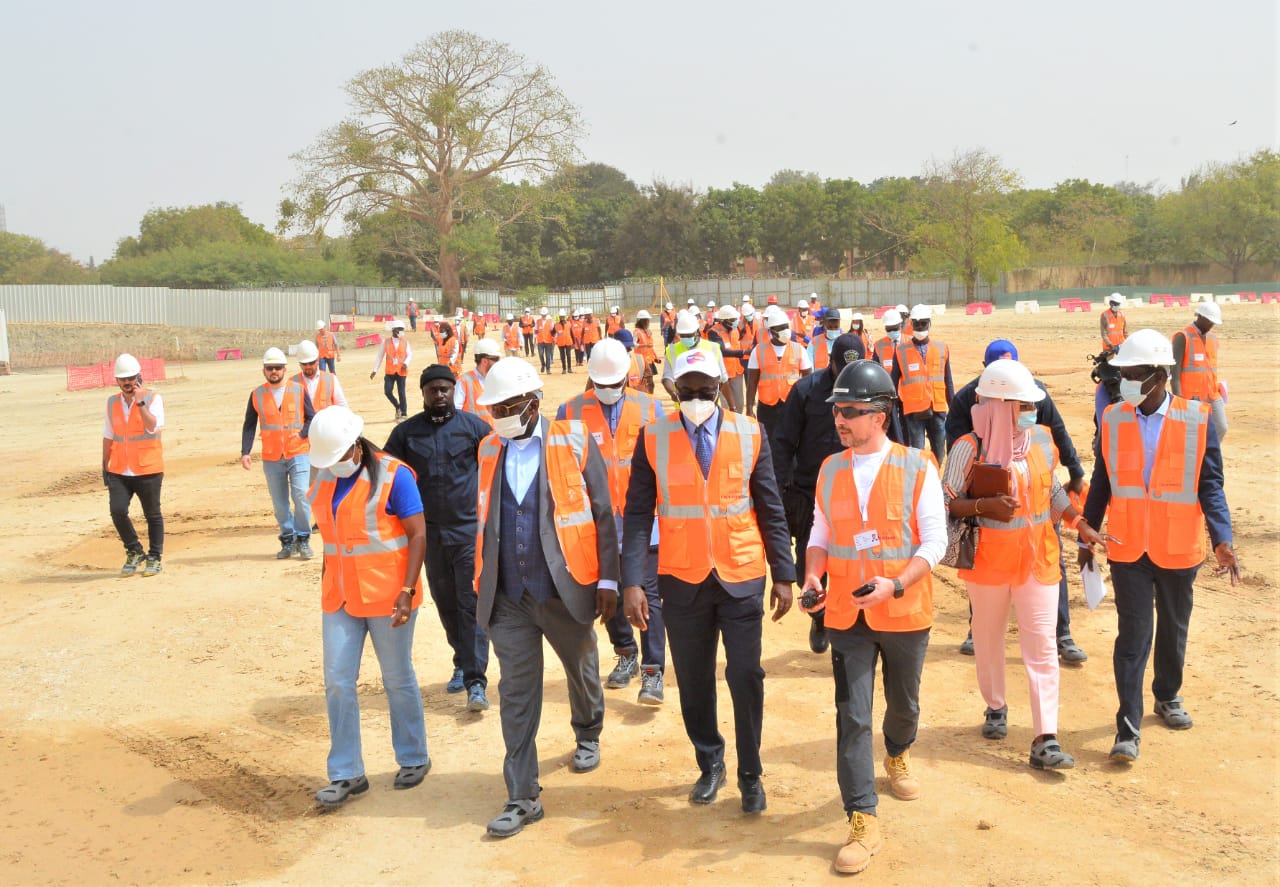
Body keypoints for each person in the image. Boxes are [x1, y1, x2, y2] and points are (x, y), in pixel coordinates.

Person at [621, 349, 796, 815]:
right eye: (689, 390)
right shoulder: (653, 438)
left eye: (706, 389)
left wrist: (784, 573)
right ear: (674, 390)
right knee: (695, 682)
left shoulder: (750, 433)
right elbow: (637, 514)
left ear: (721, 385)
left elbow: (770, 507)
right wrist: (633, 581)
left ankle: (750, 774)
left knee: (746, 676)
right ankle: (710, 762)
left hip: (740, 574)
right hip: (680, 579)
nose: (697, 397)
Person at [797, 359, 945, 876]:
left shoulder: (918, 466)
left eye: (852, 412)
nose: (841, 420)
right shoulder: (830, 468)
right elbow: (819, 535)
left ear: (880, 415)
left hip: (903, 610)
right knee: (852, 716)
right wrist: (813, 576)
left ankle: (899, 751)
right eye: (837, 410)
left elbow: (936, 542)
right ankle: (862, 815)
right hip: (845, 615)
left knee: (903, 705)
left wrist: (896, 584)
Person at [472, 359, 621, 838]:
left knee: (580, 669)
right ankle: (522, 796)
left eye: (507, 407)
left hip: (564, 588)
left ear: (533, 403)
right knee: (515, 692)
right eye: (493, 408)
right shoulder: (488, 449)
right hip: (508, 596)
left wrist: (609, 582)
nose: (498, 416)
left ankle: (588, 730)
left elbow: (603, 514)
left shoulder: (574, 440)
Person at [1080, 329, 1238, 763]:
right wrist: (1087, 530)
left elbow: (1210, 485)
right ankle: (1127, 730)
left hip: (1177, 546)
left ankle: (1167, 696)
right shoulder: (1112, 418)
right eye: (1122, 375)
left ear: (1159, 377)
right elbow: (1103, 480)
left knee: (1173, 628)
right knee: (1133, 636)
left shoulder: (1196, 419)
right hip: (1128, 547)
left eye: (1133, 375)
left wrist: (1222, 539)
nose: (1125, 382)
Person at [942, 359, 1107, 774]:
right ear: (998, 405)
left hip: (1039, 560)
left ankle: (1045, 737)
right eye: (1022, 405)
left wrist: (1079, 522)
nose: (1031, 412)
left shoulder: (1041, 440)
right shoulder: (967, 447)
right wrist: (984, 506)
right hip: (990, 564)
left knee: (1041, 647)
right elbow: (945, 502)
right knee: (989, 639)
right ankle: (995, 705)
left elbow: (1051, 490)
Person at [306, 406, 430, 807]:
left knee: (396, 677)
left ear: (356, 447)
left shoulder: (395, 475)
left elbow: (417, 534)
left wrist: (408, 591)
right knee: (338, 681)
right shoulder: (324, 474)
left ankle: (413, 756)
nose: (334, 466)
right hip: (339, 595)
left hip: (387, 595)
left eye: (340, 457)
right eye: (328, 460)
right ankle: (346, 773)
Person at [945, 339, 1089, 663]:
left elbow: (1058, 432)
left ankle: (1062, 633)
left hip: (1035, 508)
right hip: (989, 512)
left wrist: (1075, 474)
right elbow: (955, 456)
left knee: (1052, 562)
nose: (1028, 410)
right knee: (980, 565)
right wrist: (981, 492)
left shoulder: (1033, 391)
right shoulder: (967, 399)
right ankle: (976, 630)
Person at [557, 340, 666, 704]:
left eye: (613, 384)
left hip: (642, 518)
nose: (606, 391)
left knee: (647, 593)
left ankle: (653, 671)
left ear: (626, 379)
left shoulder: (651, 408)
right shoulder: (569, 411)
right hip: (595, 522)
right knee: (609, 593)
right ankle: (626, 652)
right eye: (599, 385)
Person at [385, 365, 493, 711]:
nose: (440, 394)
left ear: (454, 391)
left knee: (470, 601)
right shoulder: (406, 434)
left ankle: (476, 681)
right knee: (445, 601)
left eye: (446, 388)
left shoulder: (475, 428)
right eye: (433, 389)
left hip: (468, 531)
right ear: (423, 393)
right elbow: (387, 474)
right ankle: (461, 661)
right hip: (428, 534)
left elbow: (495, 469)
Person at [772, 334, 866, 655]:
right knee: (808, 564)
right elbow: (783, 442)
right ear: (831, 363)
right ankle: (820, 615)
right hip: (809, 494)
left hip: (857, 494)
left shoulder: (872, 390)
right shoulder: (806, 391)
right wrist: (778, 491)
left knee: (857, 557)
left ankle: (855, 621)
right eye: (843, 371)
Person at [241, 347, 315, 559]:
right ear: (264, 370)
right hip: (272, 456)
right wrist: (245, 452)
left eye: (277, 368)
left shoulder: (298, 390)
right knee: (280, 504)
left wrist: (302, 435)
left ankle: (303, 538)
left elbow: (312, 417)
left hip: (298, 452)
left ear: (285, 369)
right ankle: (287, 539)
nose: (274, 371)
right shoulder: (257, 394)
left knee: (301, 495)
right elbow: (249, 425)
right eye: (269, 368)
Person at [103, 353, 165, 577]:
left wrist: (139, 403)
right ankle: (134, 550)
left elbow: (152, 427)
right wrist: (104, 465)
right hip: (119, 469)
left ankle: (155, 557)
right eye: (123, 379)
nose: (127, 382)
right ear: (117, 380)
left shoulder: (153, 398)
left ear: (139, 377)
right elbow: (108, 435)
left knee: (152, 515)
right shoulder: (112, 402)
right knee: (117, 511)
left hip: (148, 469)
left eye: (131, 378)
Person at [891, 304, 953, 460]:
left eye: (923, 323)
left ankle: (935, 479)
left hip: (937, 409)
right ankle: (920, 482)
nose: (920, 327)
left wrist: (953, 407)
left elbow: (948, 381)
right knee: (917, 455)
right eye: (916, 324)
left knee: (939, 453)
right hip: (914, 411)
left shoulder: (942, 348)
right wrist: (893, 408)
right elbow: (893, 382)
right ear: (911, 324)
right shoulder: (901, 350)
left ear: (929, 324)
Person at [745, 304, 811, 442]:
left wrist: (808, 407)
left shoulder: (799, 350)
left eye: (786, 326)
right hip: (767, 407)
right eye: (781, 328)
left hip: (792, 406)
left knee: (792, 442)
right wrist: (750, 408)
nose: (785, 331)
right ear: (772, 331)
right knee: (768, 443)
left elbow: (808, 381)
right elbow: (751, 383)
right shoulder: (758, 351)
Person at [1171, 301, 1227, 441]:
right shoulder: (1182, 337)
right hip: (1192, 398)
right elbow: (1175, 373)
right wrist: (1179, 399)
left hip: (1213, 394)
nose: (1211, 325)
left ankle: (1207, 453)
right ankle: (1198, 458)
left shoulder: (1213, 337)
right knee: (1193, 434)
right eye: (1209, 321)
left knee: (1221, 427)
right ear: (1200, 316)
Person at [661, 310, 735, 409]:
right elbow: (667, 377)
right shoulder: (672, 351)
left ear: (697, 332)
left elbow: (723, 379)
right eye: (682, 335)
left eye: (689, 335)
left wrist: (732, 407)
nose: (685, 338)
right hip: (683, 406)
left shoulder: (713, 348)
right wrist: (673, 393)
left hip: (709, 406)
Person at [705, 304, 748, 413]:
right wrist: (743, 352)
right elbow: (722, 351)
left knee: (739, 404)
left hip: (737, 372)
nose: (736, 322)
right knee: (727, 407)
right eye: (733, 320)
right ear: (724, 320)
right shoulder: (713, 333)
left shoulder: (735, 330)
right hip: (723, 375)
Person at [370, 319, 412, 421]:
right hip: (390, 372)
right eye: (400, 329)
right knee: (387, 391)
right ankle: (397, 406)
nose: (402, 331)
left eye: (403, 329)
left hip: (401, 371)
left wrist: (406, 363)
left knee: (401, 392)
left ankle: (404, 413)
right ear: (394, 330)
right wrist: (375, 369)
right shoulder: (385, 342)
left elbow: (409, 354)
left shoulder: (405, 342)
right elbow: (380, 356)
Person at [455, 338, 501, 428]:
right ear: (484, 361)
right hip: (473, 437)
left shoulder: (499, 380)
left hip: (496, 436)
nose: (498, 363)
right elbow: (456, 414)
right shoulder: (463, 382)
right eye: (496, 360)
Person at [294, 340, 347, 411]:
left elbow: (343, 407)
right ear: (299, 363)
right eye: (304, 364)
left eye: (311, 363)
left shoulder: (330, 379)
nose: (308, 366)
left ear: (318, 361)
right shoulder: (292, 382)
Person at [633, 310, 659, 386]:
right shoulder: (636, 332)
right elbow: (633, 344)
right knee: (643, 382)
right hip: (641, 361)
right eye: (647, 321)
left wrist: (655, 357)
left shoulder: (648, 332)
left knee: (650, 383)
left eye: (648, 320)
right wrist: (644, 346)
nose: (649, 322)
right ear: (642, 321)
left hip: (649, 360)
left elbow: (651, 346)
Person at [535, 307, 555, 373]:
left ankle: (548, 369)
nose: (543, 315)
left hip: (548, 341)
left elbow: (553, 331)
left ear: (546, 314)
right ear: (541, 314)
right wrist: (534, 340)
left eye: (545, 314)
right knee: (540, 354)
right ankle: (543, 365)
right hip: (540, 341)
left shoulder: (550, 321)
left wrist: (554, 339)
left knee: (548, 356)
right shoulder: (538, 321)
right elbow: (535, 331)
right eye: (542, 314)